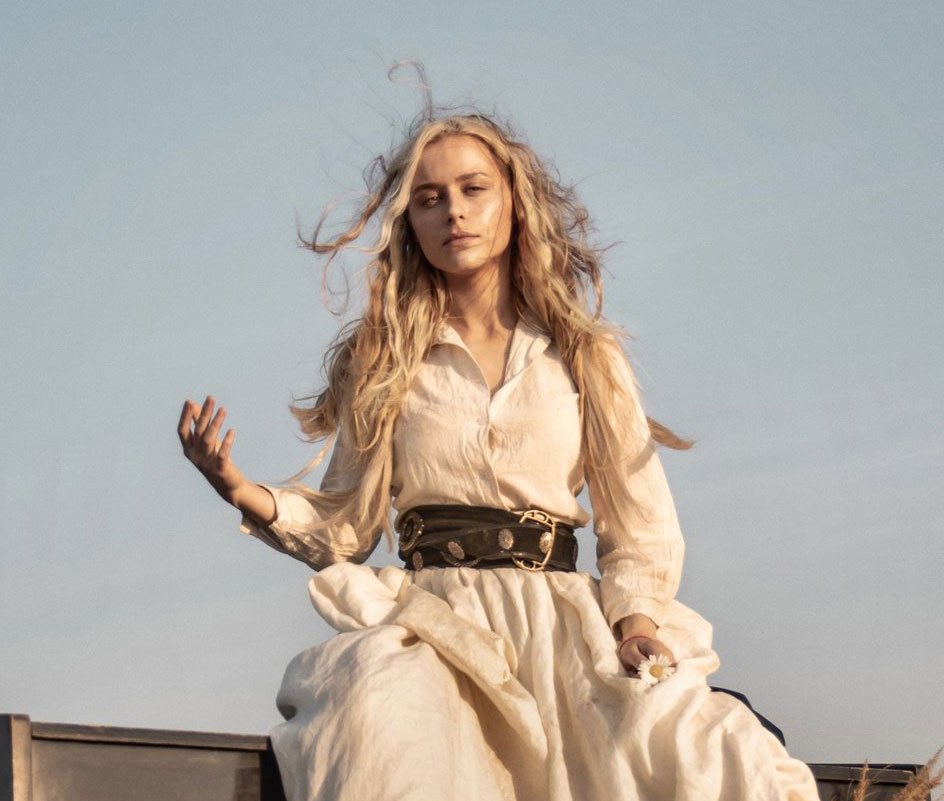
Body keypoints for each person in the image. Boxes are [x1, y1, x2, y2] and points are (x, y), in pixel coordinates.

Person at [178, 110, 820, 800]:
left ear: (514, 202)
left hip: (563, 631)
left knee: (714, 752)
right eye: (429, 198)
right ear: (410, 224)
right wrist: (239, 488)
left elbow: (641, 528)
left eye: (473, 189)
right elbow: (344, 528)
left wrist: (636, 625)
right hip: (434, 624)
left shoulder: (584, 354)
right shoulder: (387, 360)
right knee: (381, 722)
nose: (453, 211)